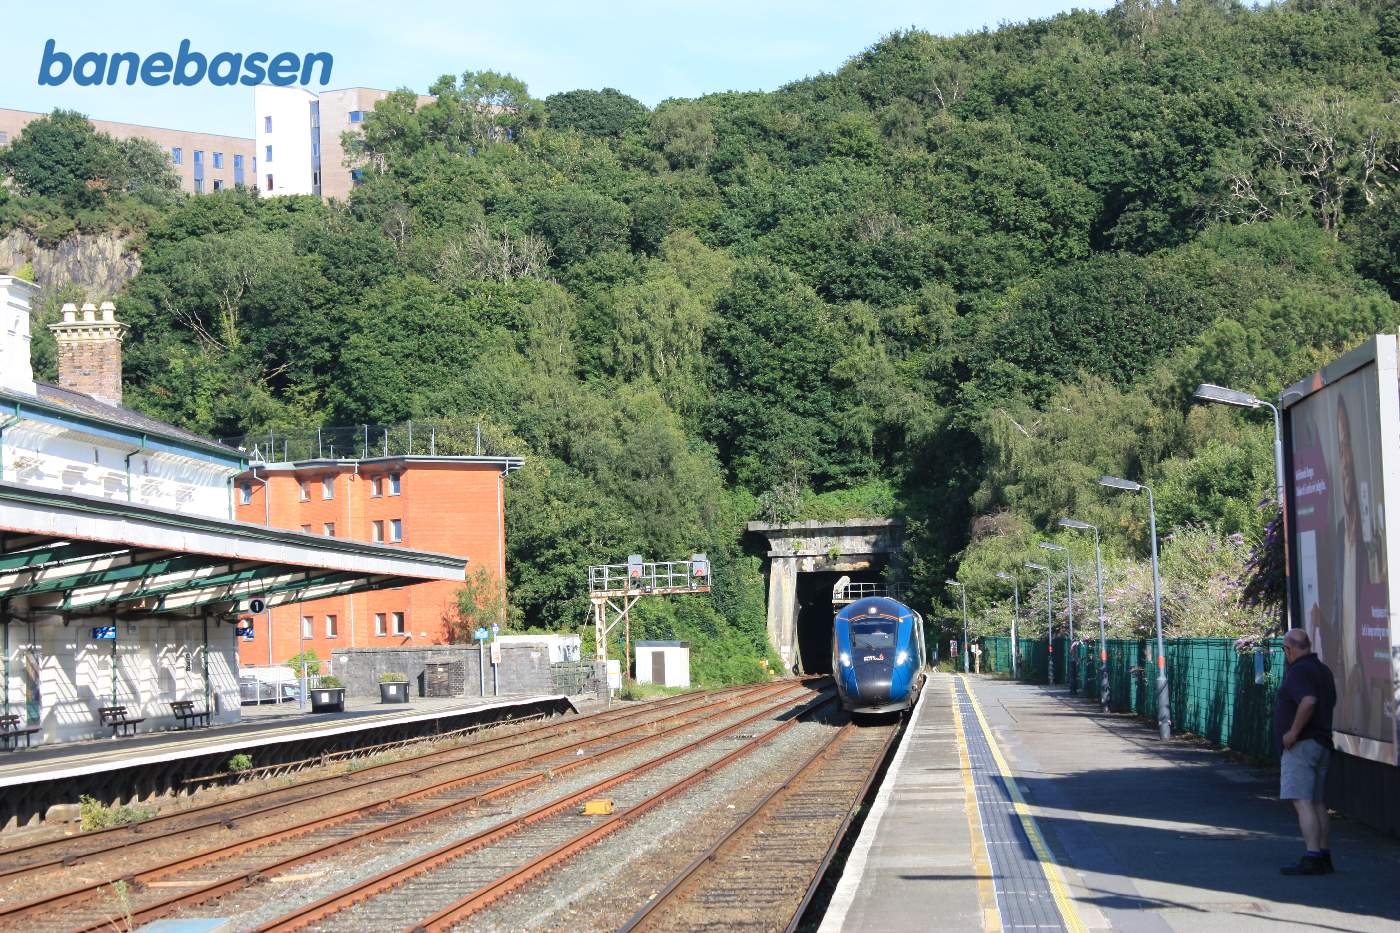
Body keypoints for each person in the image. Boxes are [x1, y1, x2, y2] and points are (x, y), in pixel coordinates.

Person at [1275, 628, 1337, 876]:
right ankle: (1323, 854)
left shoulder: (1298, 671)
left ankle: (1312, 855)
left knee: (1302, 801)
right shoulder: (1323, 670)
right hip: (1321, 741)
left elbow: (1308, 701)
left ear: (1289, 649)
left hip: (1302, 745)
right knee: (1317, 801)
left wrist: (1292, 732)